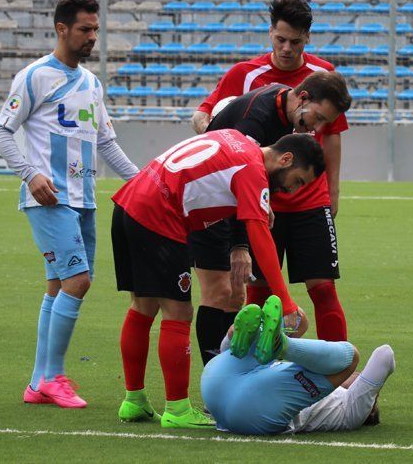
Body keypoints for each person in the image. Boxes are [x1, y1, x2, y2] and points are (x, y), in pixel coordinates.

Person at [111, 131, 324, 429]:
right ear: (286, 159)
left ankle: (134, 401)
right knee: (179, 313)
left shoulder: (241, 141)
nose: (291, 190)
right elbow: (260, 237)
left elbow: (216, 177)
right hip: (159, 215)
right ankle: (177, 409)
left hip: (130, 204)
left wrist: (260, 204)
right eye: (298, 180)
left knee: (142, 306)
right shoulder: (252, 169)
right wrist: (286, 302)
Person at [189, 0, 352, 369]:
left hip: (310, 200)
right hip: (260, 205)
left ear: (307, 38)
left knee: (323, 287)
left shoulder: (323, 77)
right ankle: (253, 373)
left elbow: (333, 137)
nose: (286, 48)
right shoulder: (245, 75)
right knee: (257, 294)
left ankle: (338, 375)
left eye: (295, 41)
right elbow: (203, 116)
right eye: (280, 40)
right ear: (271, 34)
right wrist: (222, 139)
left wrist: (332, 192)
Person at [0, 0, 139, 408]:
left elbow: (107, 143)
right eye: (84, 29)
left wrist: (146, 181)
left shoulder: (92, 84)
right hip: (49, 198)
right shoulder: (35, 76)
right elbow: (2, 133)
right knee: (78, 281)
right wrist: (31, 175)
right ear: (61, 29)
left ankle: (38, 382)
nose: (93, 36)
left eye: (95, 29)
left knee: (58, 286)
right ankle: (54, 377)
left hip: (84, 199)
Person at [201, 295, 396, 435]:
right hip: (218, 390)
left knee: (351, 358)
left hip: (258, 409)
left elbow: (384, 354)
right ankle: (239, 336)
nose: (360, 376)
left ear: (370, 406)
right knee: (300, 320)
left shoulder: (352, 412)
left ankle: (280, 345)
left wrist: (372, 387)